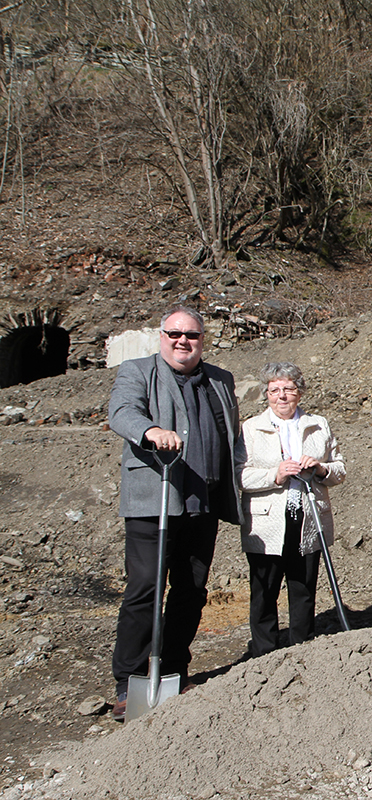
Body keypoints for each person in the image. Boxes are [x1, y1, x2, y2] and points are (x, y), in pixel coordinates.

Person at [107, 306, 242, 721]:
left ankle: (173, 668)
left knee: (190, 589)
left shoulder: (220, 379)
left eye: (192, 336)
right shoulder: (137, 371)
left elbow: (231, 434)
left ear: (203, 340)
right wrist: (149, 431)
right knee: (145, 587)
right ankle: (130, 678)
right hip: (155, 501)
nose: (183, 341)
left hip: (202, 501)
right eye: (174, 334)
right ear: (162, 336)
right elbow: (122, 412)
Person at [239, 363, 346, 657]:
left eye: (288, 389)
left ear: (299, 392)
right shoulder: (250, 429)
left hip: (308, 516)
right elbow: (240, 475)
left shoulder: (318, 424)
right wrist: (276, 474)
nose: (282, 396)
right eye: (275, 390)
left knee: (303, 587)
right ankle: (264, 652)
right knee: (264, 590)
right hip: (265, 522)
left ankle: (301, 649)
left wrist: (322, 468)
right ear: (266, 394)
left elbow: (340, 469)